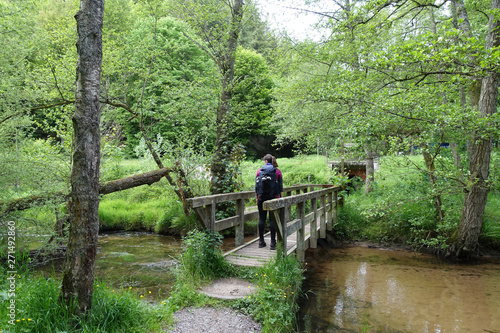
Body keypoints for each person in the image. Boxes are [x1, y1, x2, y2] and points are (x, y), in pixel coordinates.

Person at [255, 154, 283, 250]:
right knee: (272, 220)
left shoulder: (259, 171)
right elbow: (280, 187)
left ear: (265, 161)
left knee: (262, 219)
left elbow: (256, 186)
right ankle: (273, 243)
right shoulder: (278, 172)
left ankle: (261, 241)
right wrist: (281, 198)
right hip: (274, 198)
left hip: (261, 197)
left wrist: (257, 198)